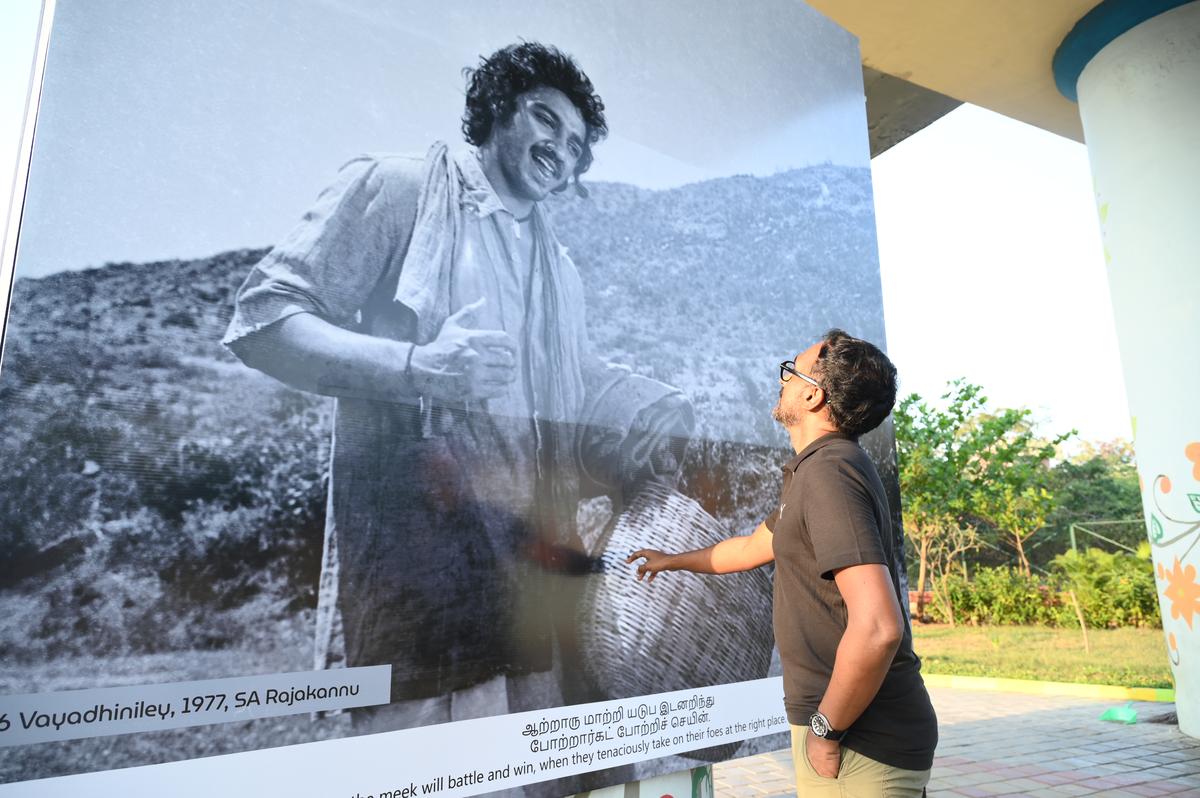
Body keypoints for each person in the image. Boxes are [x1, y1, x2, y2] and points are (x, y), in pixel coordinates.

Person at [223, 40, 690, 748]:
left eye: (576, 143)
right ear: (498, 108)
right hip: (424, 583)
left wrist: (646, 408)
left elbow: (571, 391)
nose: (560, 149)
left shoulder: (558, 268)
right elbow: (264, 321)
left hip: (534, 597)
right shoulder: (399, 189)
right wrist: (418, 366)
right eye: (544, 119)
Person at [628, 330, 937, 797]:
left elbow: (878, 626)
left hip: (861, 740)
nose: (782, 382)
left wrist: (826, 730)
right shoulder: (818, 471)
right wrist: (671, 560)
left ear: (813, 395)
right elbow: (752, 548)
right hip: (848, 732)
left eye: (789, 371)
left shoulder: (830, 474)